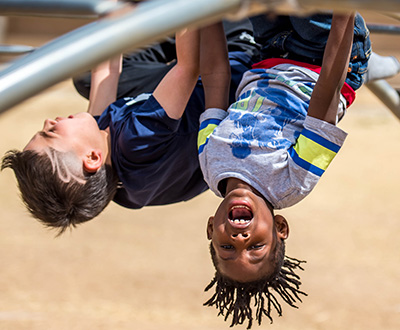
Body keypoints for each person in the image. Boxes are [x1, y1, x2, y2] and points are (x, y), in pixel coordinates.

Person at [1, 9, 258, 235]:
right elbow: (187, 68)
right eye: (50, 134)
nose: (48, 122)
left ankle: (150, 19)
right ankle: (167, 18)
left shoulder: (104, 156)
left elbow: (106, 70)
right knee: (187, 25)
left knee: (88, 76)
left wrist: (111, 10)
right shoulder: (137, 143)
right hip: (233, 60)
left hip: (190, 92)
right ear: (92, 158)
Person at [198, 12, 371, 328]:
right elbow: (327, 93)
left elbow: (215, 76)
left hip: (270, 51)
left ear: (211, 229)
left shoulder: (209, 163)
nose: (240, 237)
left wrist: (205, 13)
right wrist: (342, 16)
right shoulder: (291, 183)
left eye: (227, 247)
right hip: (326, 58)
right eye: (256, 246)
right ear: (280, 228)